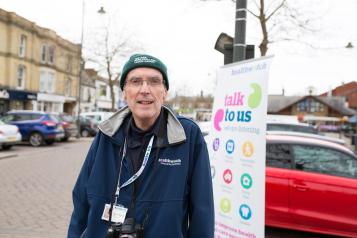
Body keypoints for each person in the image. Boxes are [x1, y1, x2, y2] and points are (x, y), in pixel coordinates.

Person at [67, 53, 214, 238]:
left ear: (165, 92)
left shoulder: (188, 136)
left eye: (154, 82)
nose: (145, 89)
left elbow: (202, 211)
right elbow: (81, 203)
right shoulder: (106, 135)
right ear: (124, 92)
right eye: (136, 81)